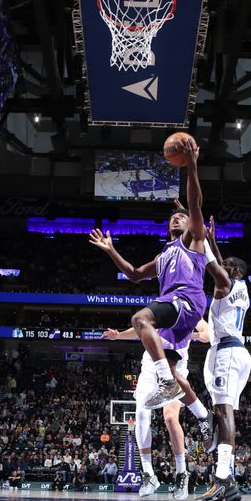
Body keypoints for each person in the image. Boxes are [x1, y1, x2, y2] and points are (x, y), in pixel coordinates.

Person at [89, 137, 210, 409]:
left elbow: (195, 204)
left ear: (192, 224)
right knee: (161, 354)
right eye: (172, 218)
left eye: (182, 217)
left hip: (187, 299)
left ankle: (167, 383)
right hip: (176, 310)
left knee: (140, 318)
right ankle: (204, 417)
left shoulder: (193, 241)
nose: (176, 219)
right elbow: (133, 274)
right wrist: (110, 250)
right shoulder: (163, 255)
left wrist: (191, 164)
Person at [103, 323, 213, 501]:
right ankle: (148, 474)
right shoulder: (161, 306)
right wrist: (119, 335)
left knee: (170, 418)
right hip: (151, 365)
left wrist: (182, 334)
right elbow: (141, 328)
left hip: (176, 367)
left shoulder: (192, 308)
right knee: (140, 412)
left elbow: (207, 335)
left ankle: (181, 473)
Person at [193, 220, 251, 501]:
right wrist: (213, 241)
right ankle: (226, 478)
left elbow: (212, 264)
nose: (222, 265)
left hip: (227, 353)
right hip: (237, 351)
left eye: (227, 264)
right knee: (224, 414)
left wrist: (201, 236)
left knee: (223, 413)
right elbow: (219, 262)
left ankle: (223, 481)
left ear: (236, 270)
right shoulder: (240, 287)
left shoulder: (226, 283)